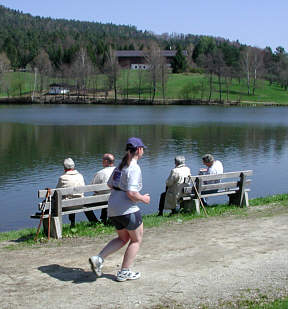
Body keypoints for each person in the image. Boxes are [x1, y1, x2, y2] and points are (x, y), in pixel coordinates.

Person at [89, 137, 150, 282]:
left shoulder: (120, 166)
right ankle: (124, 271)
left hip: (113, 207)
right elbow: (132, 193)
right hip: (127, 209)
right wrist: (144, 198)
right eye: (143, 150)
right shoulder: (134, 168)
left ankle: (98, 258)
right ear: (139, 150)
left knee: (123, 238)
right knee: (136, 240)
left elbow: (110, 184)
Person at [56, 158, 99, 228]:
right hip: (80, 203)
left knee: (67, 199)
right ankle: (94, 222)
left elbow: (57, 192)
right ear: (73, 166)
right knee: (73, 197)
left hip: (68, 205)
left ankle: (67, 225)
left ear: (64, 167)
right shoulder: (80, 176)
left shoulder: (62, 178)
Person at [91, 153, 116, 224]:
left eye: (102, 160)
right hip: (117, 197)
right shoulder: (119, 171)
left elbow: (93, 188)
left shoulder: (100, 173)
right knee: (107, 195)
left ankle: (95, 222)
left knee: (85, 205)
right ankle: (105, 219)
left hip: (104, 199)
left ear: (106, 162)